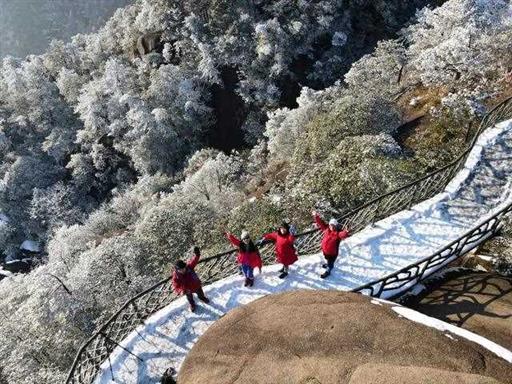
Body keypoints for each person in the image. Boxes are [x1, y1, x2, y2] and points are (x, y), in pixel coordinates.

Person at [312, 210, 350, 279]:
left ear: (336, 226)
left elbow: (342, 234)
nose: (332, 227)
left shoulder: (338, 233)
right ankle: (328, 264)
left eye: (333, 226)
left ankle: (328, 271)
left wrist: (346, 232)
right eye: (330, 225)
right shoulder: (326, 229)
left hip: (332, 253)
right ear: (329, 225)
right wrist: (316, 216)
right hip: (325, 251)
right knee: (327, 259)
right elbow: (321, 223)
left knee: (330, 263)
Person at [172, 246, 210, 312]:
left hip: (196, 285)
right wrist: (181, 291)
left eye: (183, 268)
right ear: (177, 270)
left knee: (200, 294)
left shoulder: (189, 267)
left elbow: (194, 261)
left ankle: (202, 298)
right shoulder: (176, 277)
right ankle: (192, 304)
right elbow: (176, 286)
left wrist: (197, 255)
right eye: (180, 269)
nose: (183, 270)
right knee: (190, 298)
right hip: (187, 289)